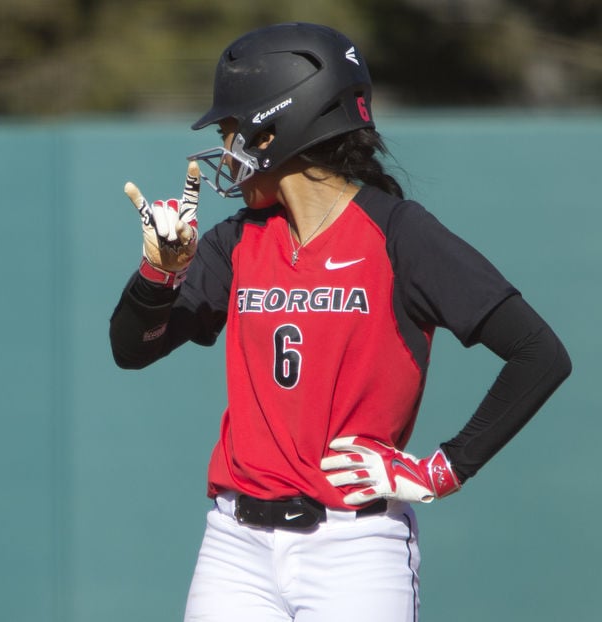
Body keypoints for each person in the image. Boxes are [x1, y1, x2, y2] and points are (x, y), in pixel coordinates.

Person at [109, 22, 571, 622]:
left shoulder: (400, 234)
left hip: (357, 550)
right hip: (235, 546)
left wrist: (441, 469)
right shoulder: (235, 242)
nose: (225, 151)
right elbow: (132, 347)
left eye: (231, 130)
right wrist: (160, 274)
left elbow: (539, 353)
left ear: (277, 128)